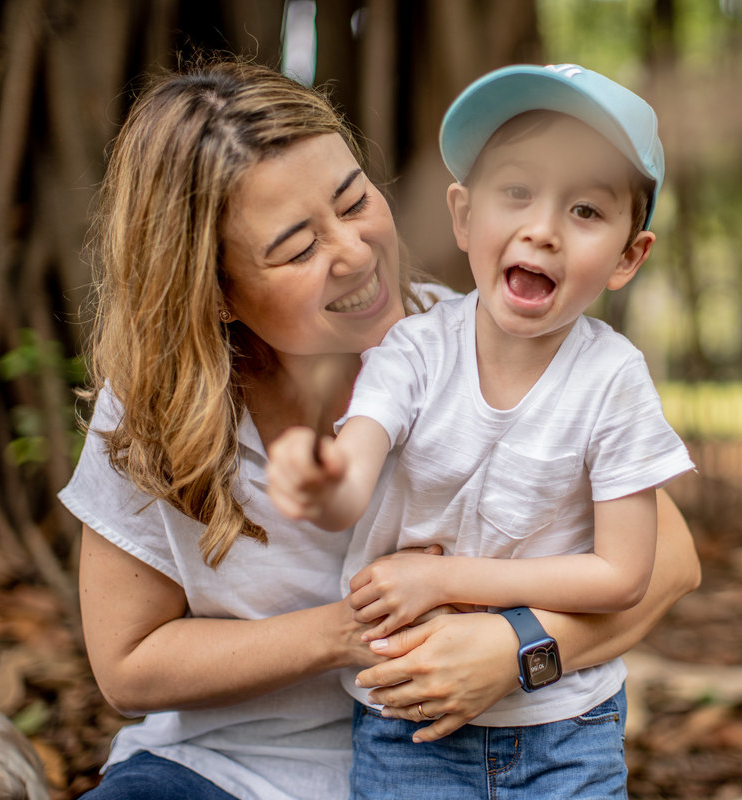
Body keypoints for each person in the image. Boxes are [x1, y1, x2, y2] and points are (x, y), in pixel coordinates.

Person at [58, 58, 700, 800]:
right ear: (217, 291)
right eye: (298, 248)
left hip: (453, 753)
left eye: (355, 200)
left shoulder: (480, 346)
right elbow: (128, 665)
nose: (356, 254)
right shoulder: (153, 412)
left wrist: (515, 646)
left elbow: (667, 561)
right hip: (219, 768)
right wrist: (347, 632)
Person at [266, 63, 694, 799]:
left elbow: (624, 576)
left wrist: (445, 579)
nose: (542, 228)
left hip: (568, 726)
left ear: (630, 255)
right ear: (463, 215)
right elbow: (355, 475)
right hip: (409, 723)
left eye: (586, 210)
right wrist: (322, 481)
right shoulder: (414, 352)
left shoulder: (614, 382)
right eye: (517, 193)